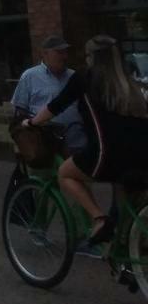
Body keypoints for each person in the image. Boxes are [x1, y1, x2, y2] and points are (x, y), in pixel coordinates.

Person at [25, 35, 148, 245]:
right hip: (142, 153)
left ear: (93, 58)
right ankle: (129, 258)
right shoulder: (128, 81)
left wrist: (32, 122)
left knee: (65, 173)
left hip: (107, 153)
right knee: (126, 206)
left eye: (87, 55)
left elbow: (56, 106)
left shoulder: (85, 78)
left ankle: (99, 219)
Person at [11, 35, 87, 154]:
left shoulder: (74, 76)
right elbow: (20, 111)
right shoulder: (30, 76)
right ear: (45, 54)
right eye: (59, 52)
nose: (65, 56)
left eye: (65, 52)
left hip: (76, 142)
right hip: (46, 145)